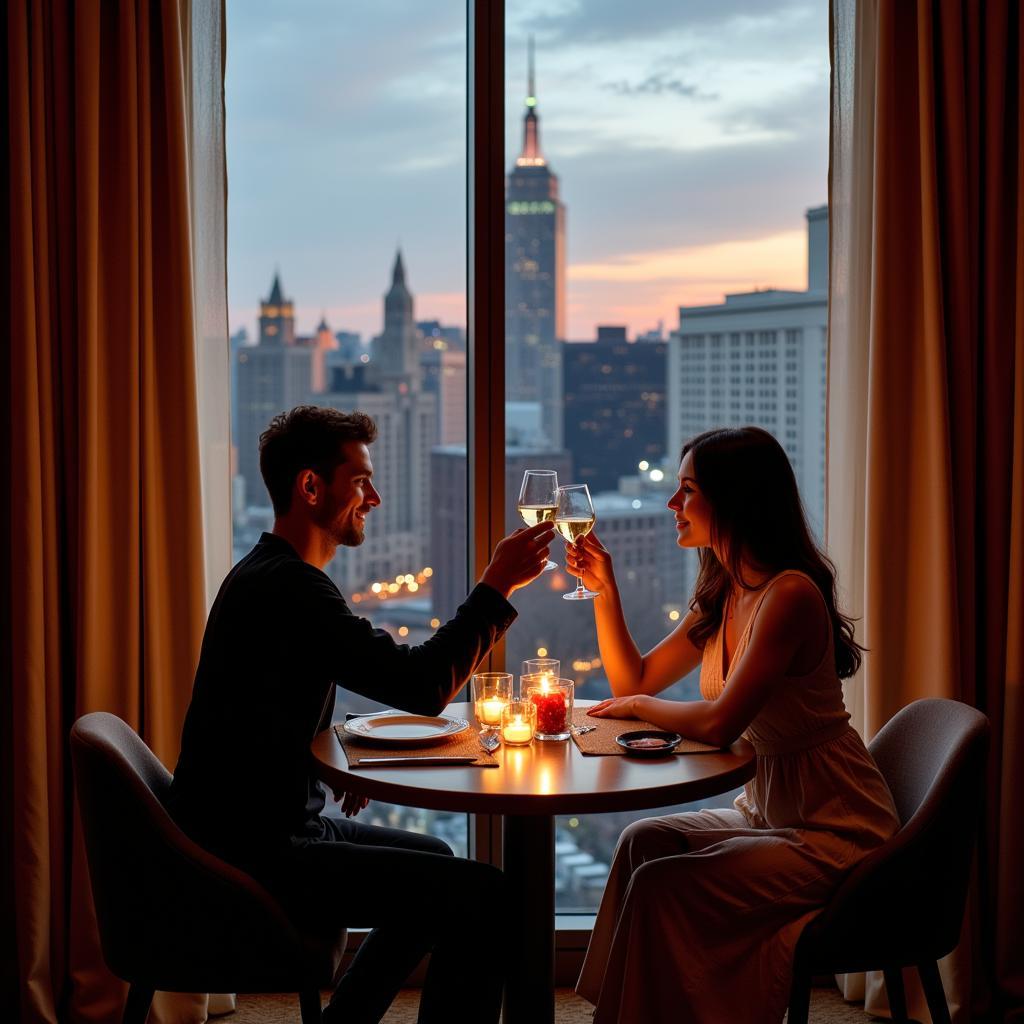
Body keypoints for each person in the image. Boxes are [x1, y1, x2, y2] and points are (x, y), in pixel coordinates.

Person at [167, 405, 554, 1024]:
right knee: (484, 895)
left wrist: (335, 762)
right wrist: (496, 586)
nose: (373, 497)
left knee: (441, 863)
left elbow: (267, 703)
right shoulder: (291, 588)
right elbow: (422, 684)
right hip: (261, 850)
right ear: (311, 486)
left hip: (254, 826)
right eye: (360, 481)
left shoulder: (268, 574)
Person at [567, 426, 899, 1024]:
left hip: (835, 826)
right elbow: (634, 681)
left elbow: (719, 724)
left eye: (686, 490)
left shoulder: (788, 596)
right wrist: (604, 591)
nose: (672, 504)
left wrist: (639, 710)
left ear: (735, 498)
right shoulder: (724, 589)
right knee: (642, 840)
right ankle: (622, 1014)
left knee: (665, 886)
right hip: (767, 810)